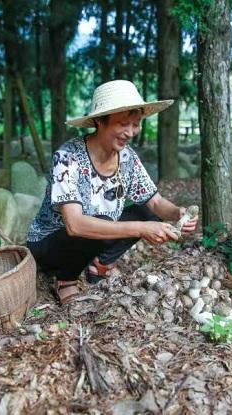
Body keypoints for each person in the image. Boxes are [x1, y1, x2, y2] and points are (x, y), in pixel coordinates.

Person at [27, 80, 198, 305]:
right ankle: (66, 279)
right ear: (100, 121)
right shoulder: (67, 156)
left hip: (94, 235)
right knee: (109, 220)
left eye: (136, 124)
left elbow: (155, 202)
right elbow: (75, 225)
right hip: (50, 243)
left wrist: (177, 213)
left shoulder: (128, 158)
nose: (131, 132)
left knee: (146, 213)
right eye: (123, 124)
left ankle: (98, 265)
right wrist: (142, 229)